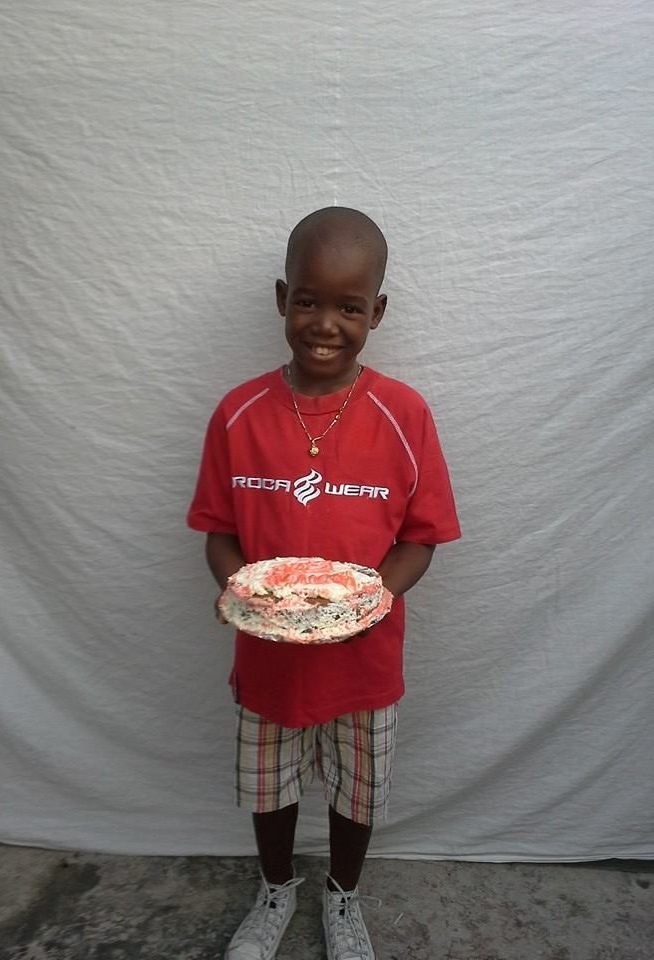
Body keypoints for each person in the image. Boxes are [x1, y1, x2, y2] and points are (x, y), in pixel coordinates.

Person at [187, 207, 461, 960]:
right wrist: (245, 596)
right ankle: (276, 890)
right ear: (283, 298)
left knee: (358, 789)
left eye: (349, 307)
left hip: (364, 662)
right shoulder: (239, 413)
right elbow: (218, 531)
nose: (325, 324)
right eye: (308, 300)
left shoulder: (404, 414)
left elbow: (421, 537)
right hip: (269, 657)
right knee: (269, 786)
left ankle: (343, 897)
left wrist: (371, 600)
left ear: (377, 311)